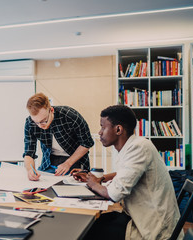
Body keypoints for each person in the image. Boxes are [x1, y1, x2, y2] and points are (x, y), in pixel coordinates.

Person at [71, 105, 182, 240]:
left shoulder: (138, 148)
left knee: (88, 232)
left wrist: (94, 184)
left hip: (152, 228)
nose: (100, 132)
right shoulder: (134, 145)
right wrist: (100, 178)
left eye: (103, 127)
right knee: (93, 224)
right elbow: (125, 173)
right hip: (141, 217)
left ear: (118, 129)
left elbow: (114, 194)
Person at [23, 92, 94, 181]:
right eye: (36, 122)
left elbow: (87, 143)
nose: (40, 126)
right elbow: (29, 153)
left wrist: (67, 164)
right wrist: (30, 170)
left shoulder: (70, 116)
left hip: (75, 161)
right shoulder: (30, 123)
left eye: (43, 121)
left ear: (51, 110)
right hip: (49, 162)